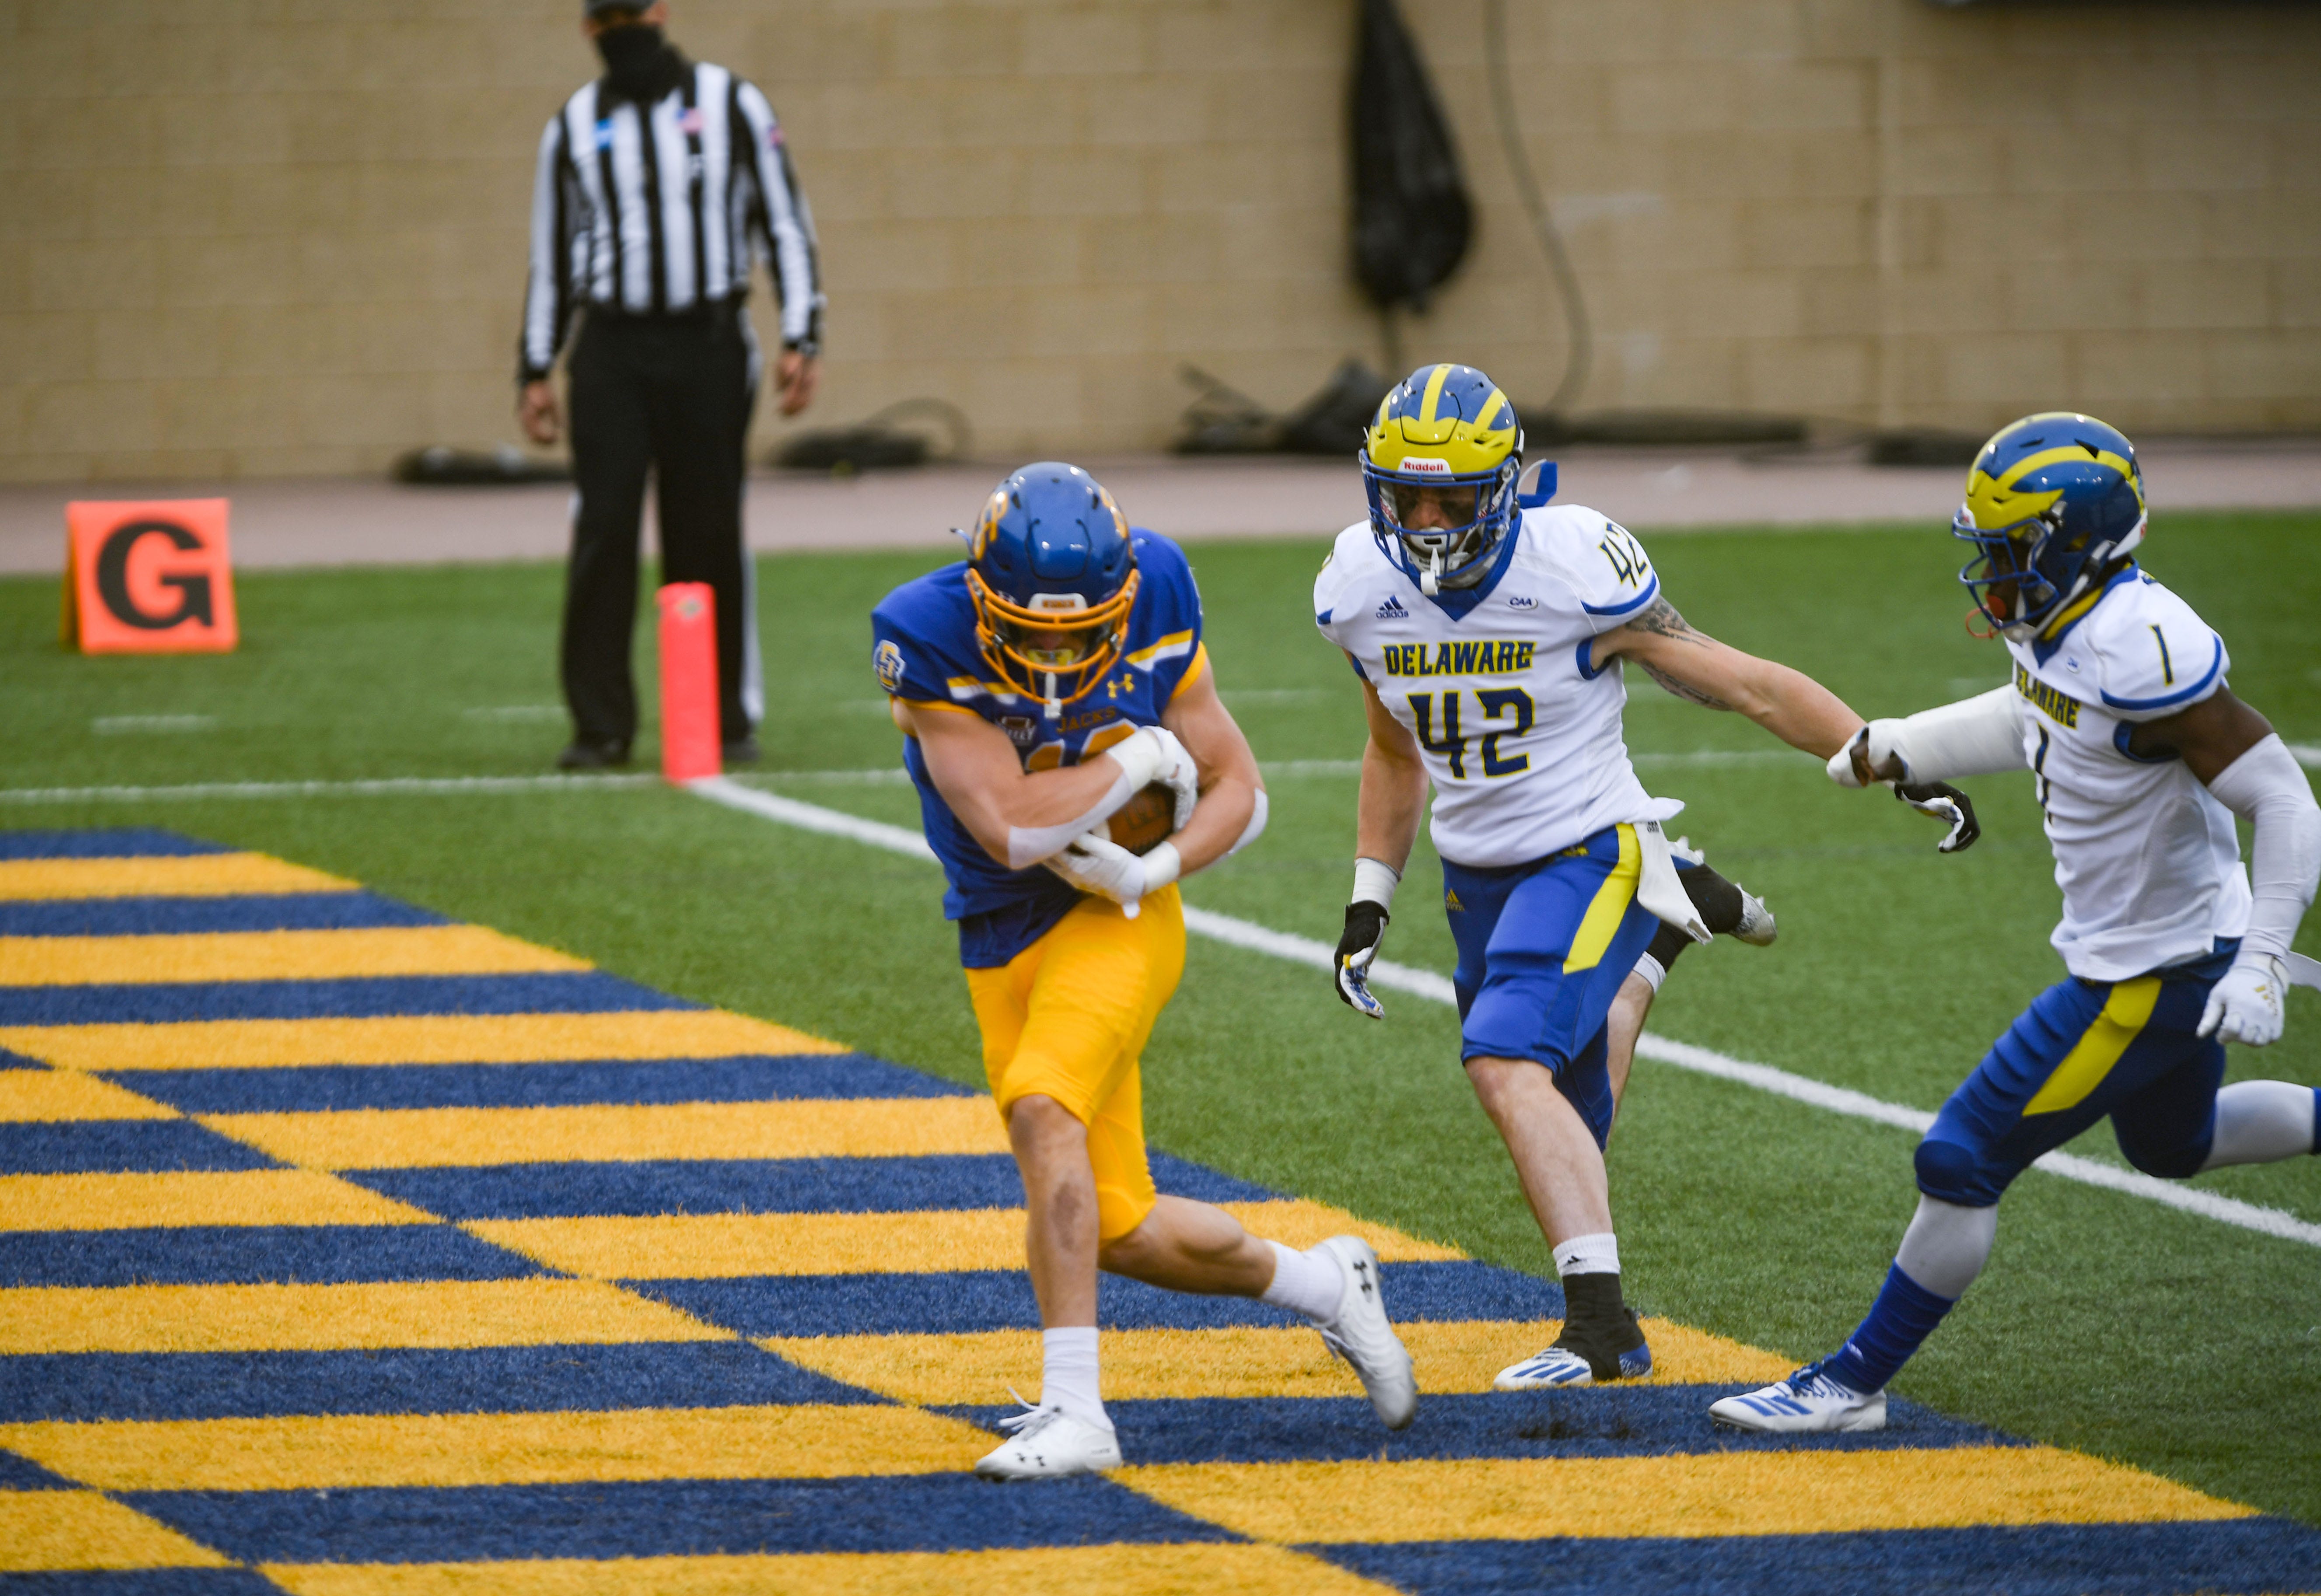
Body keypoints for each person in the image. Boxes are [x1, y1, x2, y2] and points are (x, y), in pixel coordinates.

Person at [1712, 413, 2321, 1434]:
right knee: (2177, 1144)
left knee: (1960, 1156)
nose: (1992, 572)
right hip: (2165, 940)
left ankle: (1851, 1382)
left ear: (2076, 541)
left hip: (2155, 966)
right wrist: (1901, 743)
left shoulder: (2145, 646)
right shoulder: (2070, 627)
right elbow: (2037, 714)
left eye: (2011, 550)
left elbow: (2287, 799)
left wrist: (2262, 961)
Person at [1317, 363, 1890, 1390]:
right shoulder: (1361, 587)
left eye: (1456, 495)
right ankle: (1664, 935)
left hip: (1587, 846)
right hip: (1477, 872)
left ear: (1507, 488)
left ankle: (1601, 1326)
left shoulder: (1574, 567)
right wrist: (1370, 895)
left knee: (1502, 1063)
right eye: (1412, 495)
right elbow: (1395, 752)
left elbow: (1747, 685)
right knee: (1572, 1111)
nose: (1433, 518)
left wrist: (1885, 756)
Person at [871, 463, 1417, 1481]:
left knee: (1043, 1109)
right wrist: (1136, 759)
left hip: (1119, 918)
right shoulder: (924, 630)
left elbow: (1240, 787)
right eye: (1030, 631)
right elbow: (1008, 830)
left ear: (1125, 595)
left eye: (1083, 632)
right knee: (1115, 1225)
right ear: (979, 594)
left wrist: (1155, 863)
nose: (1057, 656)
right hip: (999, 925)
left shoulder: (1161, 587)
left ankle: (1079, 1411)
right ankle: (1329, 1284)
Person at [518, 0, 823, 771]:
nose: (624, 27)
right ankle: (601, 726)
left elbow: (783, 222)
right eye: (608, 15)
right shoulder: (574, 124)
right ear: (589, 28)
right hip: (611, 348)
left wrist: (801, 331)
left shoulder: (732, 103)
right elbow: (551, 255)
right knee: (604, 528)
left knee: (708, 530)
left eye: (632, 10)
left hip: (708, 342)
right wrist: (534, 366)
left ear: (661, 11)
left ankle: (723, 717)